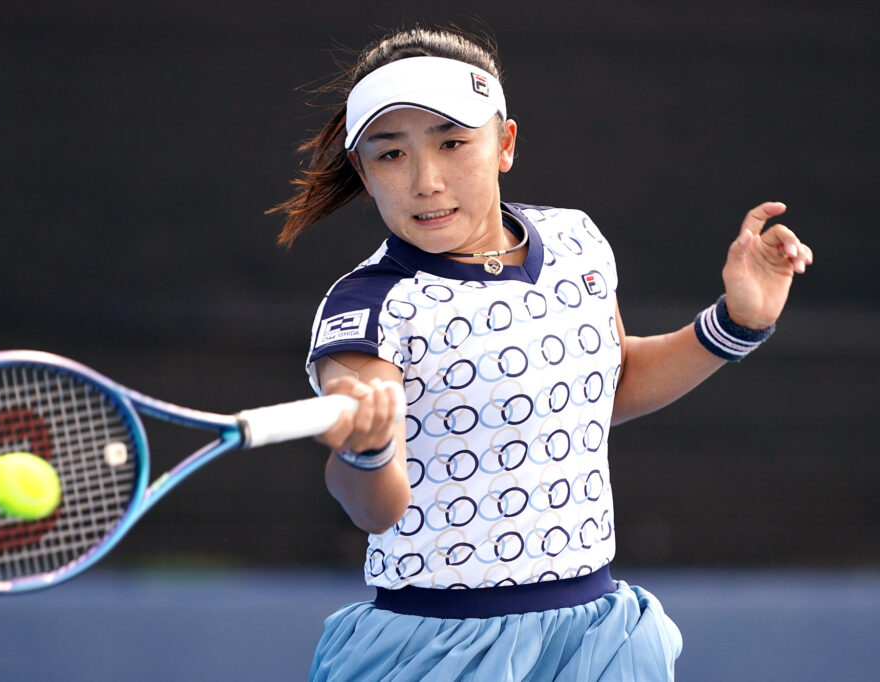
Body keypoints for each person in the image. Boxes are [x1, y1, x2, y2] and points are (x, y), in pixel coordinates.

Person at [271, 26, 812, 681]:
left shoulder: (575, 239)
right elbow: (371, 506)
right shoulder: (368, 307)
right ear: (364, 170)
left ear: (504, 144)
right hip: (439, 650)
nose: (425, 180)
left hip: (602, 637)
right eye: (391, 155)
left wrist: (734, 324)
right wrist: (367, 449)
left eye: (452, 143)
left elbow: (603, 389)